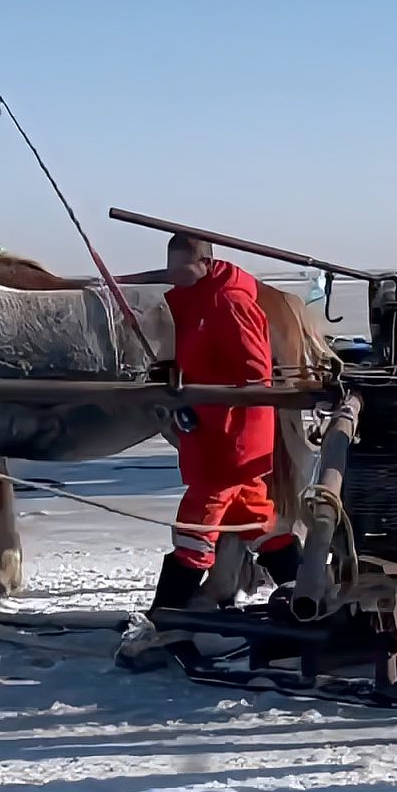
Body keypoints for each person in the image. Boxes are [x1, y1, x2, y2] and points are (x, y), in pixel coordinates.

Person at [152, 234, 300, 612]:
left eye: (181, 269)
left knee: (197, 524)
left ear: (204, 264)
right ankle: (306, 591)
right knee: (254, 517)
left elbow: (255, 375)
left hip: (231, 440)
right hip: (211, 431)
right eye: (170, 269)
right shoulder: (197, 300)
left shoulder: (229, 302)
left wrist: (205, 401)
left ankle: (166, 612)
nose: (174, 277)